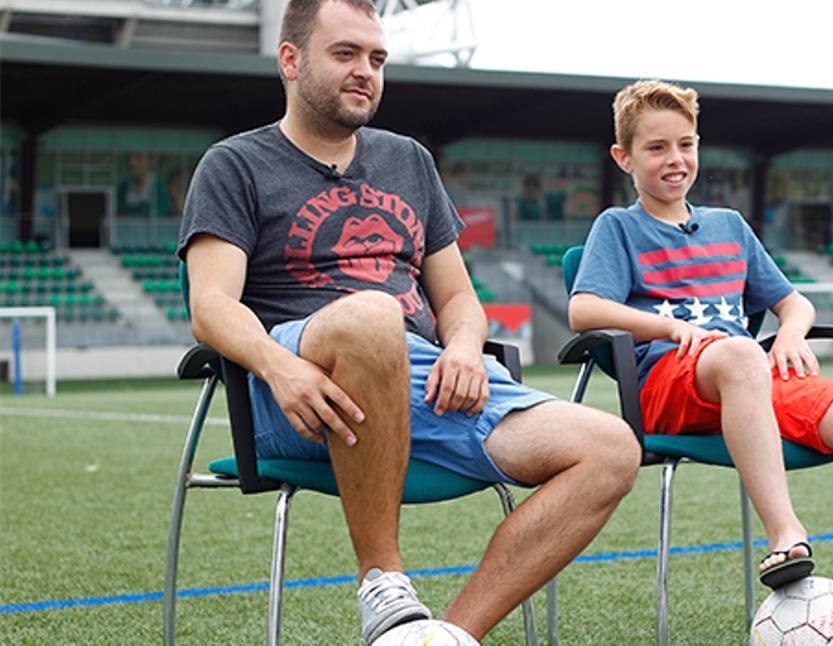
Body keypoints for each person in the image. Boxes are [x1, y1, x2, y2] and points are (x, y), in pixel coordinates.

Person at [177, 1, 640, 643]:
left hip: (422, 384)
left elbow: (457, 299)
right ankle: (384, 586)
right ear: (291, 60)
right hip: (305, 384)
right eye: (345, 54)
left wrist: (465, 348)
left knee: (612, 447)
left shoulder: (409, 160)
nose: (365, 71)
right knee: (373, 315)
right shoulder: (234, 164)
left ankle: (445, 636)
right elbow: (211, 306)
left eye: (376, 59)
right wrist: (280, 368)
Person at [568, 80, 833, 645]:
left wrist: (793, 334)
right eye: (656, 148)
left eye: (686, 144)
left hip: (747, 376)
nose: (675, 160)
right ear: (624, 157)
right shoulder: (617, 227)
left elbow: (793, 302)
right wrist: (670, 326)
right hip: (669, 384)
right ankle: (785, 532)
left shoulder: (729, 226)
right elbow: (584, 309)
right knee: (744, 353)